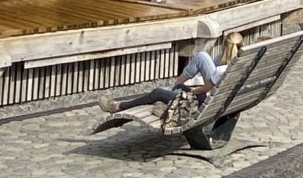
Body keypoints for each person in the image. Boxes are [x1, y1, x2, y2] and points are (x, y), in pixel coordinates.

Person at [98, 32, 246, 116]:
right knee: (178, 88)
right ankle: (165, 103)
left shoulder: (221, 70)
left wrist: (190, 90)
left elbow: (202, 90)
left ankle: (117, 106)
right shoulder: (244, 64)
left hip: (201, 102)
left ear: (224, 45)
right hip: (220, 103)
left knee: (157, 92)